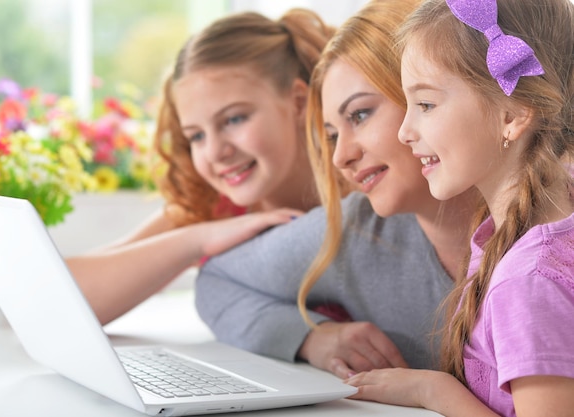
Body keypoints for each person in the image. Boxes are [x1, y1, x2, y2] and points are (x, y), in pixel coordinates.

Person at [195, 0, 478, 378]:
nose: (340, 156)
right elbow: (216, 282)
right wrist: (312, 338)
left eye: (360, 114)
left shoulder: (552, 231)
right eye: (330, 135)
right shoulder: (354, 234)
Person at [344, 0, 574, 416]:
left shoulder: (527, 284)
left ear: (513, 114)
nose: (404, 131)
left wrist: (435, 392)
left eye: (426, 105)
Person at [66, 8, 336, 325]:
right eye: (196, 136)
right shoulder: (217, 206)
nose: (215, 152)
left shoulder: (363, 190)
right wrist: (197, 241)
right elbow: (59, 299)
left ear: (298, 102)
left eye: (234, 119)